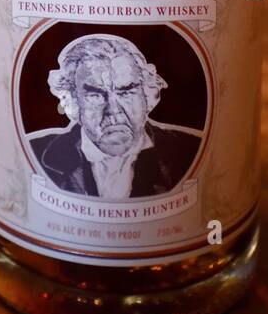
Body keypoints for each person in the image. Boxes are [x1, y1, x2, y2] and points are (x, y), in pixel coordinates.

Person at [27, 34, 201, 200]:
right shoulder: (34, 151)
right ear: (72, 101)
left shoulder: (190, 149)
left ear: (148, 95)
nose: (113, 110)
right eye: (95, 95)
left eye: (126, 92)